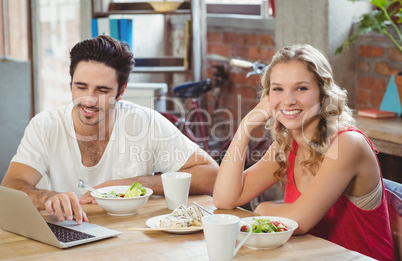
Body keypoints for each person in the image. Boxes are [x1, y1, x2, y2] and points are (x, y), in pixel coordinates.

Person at [1, 35, 218, 225]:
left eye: (102, 90)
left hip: (136, 238)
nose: (89, 100)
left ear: (121, 91)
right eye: (81, 87)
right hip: (72, 232)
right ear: (71, 84)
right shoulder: (45, 125)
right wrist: (46, 197)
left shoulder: (145, 122)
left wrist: (138, 184)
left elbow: (211, 174)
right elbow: (10, 188)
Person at [213, 44, 394, 260]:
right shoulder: (288, 144)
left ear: (322, 93)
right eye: (278, 89)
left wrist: (262, 209)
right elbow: (224, 198)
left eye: (301, 88)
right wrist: (245, 127)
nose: (288, 100)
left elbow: (299, 220)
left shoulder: (347, 144)